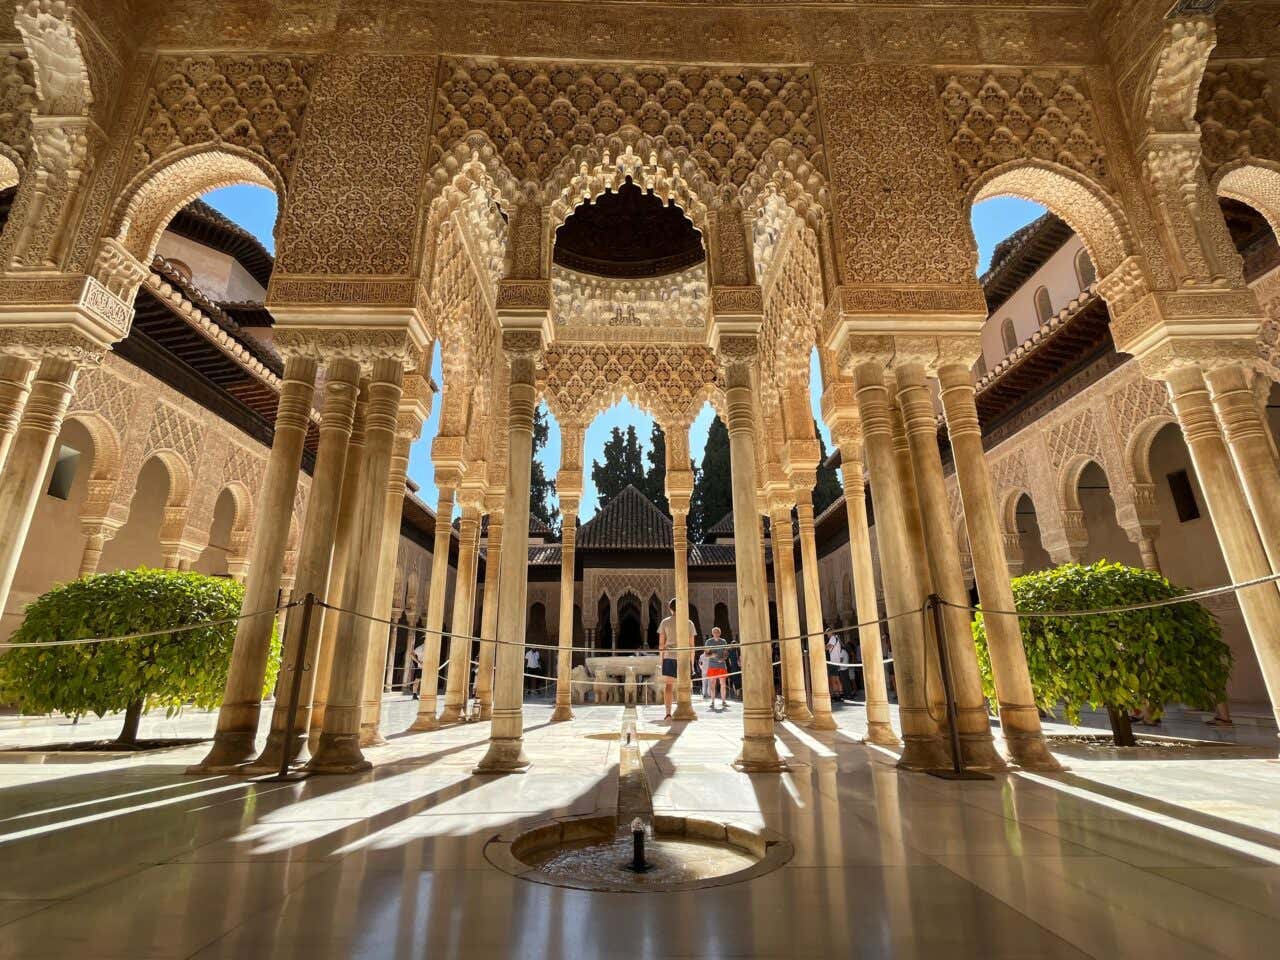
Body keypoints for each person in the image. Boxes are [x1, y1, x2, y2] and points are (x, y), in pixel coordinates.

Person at [657, 598, 695, 720]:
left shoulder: (665, 622)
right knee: (684, 685)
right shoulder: (688, 623)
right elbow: (692, 645)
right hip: (683, 657)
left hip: (669, 656)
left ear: (670, 608)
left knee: (668, 686)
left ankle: (668, 713)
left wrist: (662, 660)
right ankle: (685, 709)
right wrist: (692, 663)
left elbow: (661, 645)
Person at [704, 627, 730, 709]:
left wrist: (723, 658)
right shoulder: (708, 642)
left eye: (717, 632)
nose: (716, 633)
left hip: (722, 665)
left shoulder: (723, 641)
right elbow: (706, 654)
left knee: (723, 684)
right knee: (712, 684)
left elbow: (726, 653)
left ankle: (723, 701)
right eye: (714, 632)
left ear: (720, 633)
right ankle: (712, 702)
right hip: (712, 665)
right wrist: (712, 655)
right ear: (712, 633)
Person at [826, 628, 847, 700]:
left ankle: (837, 695)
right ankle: (840, 694)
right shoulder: (837, 638)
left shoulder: (832, 638)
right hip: (837, 662)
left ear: (830, 632)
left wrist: (823, 647)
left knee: (833, 679)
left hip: (833, 662)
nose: (827, 635)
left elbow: (829, 647)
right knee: (837, 679)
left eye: (827, 633)